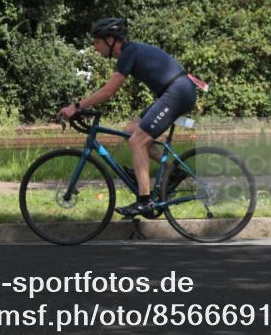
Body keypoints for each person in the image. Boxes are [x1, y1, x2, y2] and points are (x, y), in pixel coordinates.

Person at [59, 18, 201, 217]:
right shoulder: (130, 52)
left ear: (110, 40)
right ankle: (174, 171)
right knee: (130, 131)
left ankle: (145, 201)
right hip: (175, 91)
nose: (95, 48)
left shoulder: (128, 53)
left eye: (97, 42)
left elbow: (109, 91)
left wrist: (76, 106)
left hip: (177, 92)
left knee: (138, 141)